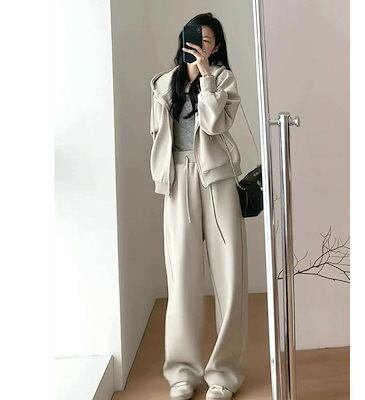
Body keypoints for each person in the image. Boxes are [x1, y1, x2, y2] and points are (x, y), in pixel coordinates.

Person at [149, 12, 248, 400]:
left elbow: (213, 124)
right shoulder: (163, 83)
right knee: (182, 278)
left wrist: (205, 78)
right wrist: (187, 77)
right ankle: (182, 373)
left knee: (229, 275)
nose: (199, 45)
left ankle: (223, 373)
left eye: (206, 40)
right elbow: (159, 133)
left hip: (217, 178)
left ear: (216, 46)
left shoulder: (223, 80)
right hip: (177, 178)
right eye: (194, 38)